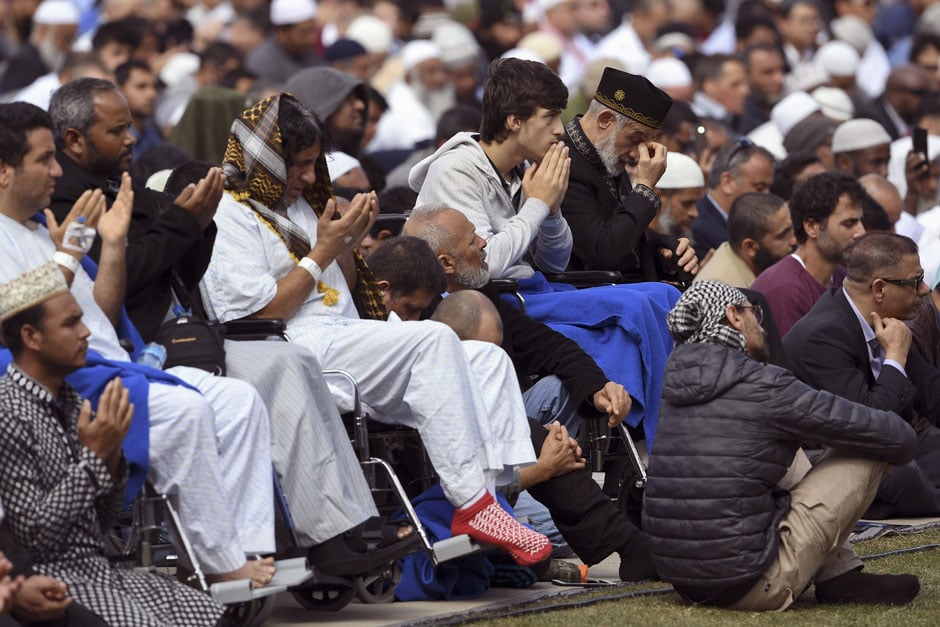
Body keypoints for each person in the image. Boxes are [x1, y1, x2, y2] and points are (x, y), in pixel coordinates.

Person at [201, 93, 552, 567]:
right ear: (266, 159)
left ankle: (489, 501)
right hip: (282, 350)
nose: (307, 177)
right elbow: (260, 316)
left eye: (312, 165)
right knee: (432, 338)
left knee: (486, 357)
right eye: (298, 166)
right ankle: (471, 502)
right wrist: (324, 250)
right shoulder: (230, 214)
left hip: (339, 338)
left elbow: (339, 293)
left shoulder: (303, 205)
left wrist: (345, 243)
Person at [0, 100, 276, 588]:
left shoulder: (42, 228)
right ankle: (217, 562)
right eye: (44, 159)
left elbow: (102, 317)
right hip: (55, 385)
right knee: (185, 414)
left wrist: (109, 245)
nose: (57, 170)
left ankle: (247, 549)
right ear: (4, 172)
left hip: (113, 363)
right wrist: (68, 254)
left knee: (239, 401)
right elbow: (13, 314)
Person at [367, 231, 657, 582]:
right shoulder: (382, 323)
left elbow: (546, 343)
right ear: (382, 289)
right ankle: (611, 540)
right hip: (437, 466)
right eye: (470, 239)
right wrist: (538, 471)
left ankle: (625, 543)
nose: (483, 243)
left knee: (544, 411)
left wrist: (598, 388)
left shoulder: (447, 299)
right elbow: (428, 459)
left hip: (481, 443)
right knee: (550, 530)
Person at [643, 280, 920, 610]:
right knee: (869, 445)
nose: (760, 324)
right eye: (753, 313)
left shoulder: (674, 388)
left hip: (688, 582)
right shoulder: (763, 383)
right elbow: (894, 436)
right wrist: (896, 359)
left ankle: (840, 574)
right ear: (733, 316)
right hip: (752, 582)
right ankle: (835, 578)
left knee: (783, 450)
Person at [0, 262, 227, 625]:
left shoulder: (72, 400)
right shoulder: (9, 411)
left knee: (210, 616)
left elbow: (99, 526)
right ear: (31, 337)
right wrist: (93, 463)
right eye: (71, 323)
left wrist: (112, 456)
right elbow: (32, 539)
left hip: (99, 573)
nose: (86, 332)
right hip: (51, 582)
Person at [784, 232, 940, 518]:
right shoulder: (822, 337)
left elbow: (932, 392)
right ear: (879, 289)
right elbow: (870, 426)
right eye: (915, 281)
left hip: (888, 447)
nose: (925, 289)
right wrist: (894, 359)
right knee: (903, 477)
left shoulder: (887, 321)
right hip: (828, 460)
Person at [410, 57, 573, 280]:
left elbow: (555, 264)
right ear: (515, 121)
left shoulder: (526, 170)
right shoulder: (454, 170)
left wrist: (551, 212)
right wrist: (538, 204)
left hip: (533, 292)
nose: (560, 130)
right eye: (550, 117)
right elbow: (484, 266)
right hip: (488, 301)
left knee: (636, 295)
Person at [560, 67, 698, 280]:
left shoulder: (607, 154)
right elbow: (603, 252)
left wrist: (664, 253)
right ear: (605, 120)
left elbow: (626, 239)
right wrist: (644, 188)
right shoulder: (563, 161)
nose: (637, 154)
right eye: (635, 139)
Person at [751, 171, 866, 336]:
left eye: (860, 221)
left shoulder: (845, 278)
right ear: (812, 227)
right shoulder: (784, 290)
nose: (861, 232)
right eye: (849, 223)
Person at [691, 138, 775, 260]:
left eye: (769, 188)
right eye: (760, 187)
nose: (767, 195)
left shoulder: (742, 222)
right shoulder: (699, 229)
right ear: (728, 182)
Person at [694, 192, 796, 288]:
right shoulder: (720, 289)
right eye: (782, 235)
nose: (794, 241)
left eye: (792, 229)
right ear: (749, 247)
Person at [244, 0, 319, 86]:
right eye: (304, 33)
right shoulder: (262, 63)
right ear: (281, 32)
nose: (311, 38)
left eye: (313, 31)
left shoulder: (308, 52)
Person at [650, 152, 705, 244]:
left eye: (696, 204)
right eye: (686, 204)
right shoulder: (633, 241)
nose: (695, 213)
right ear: (657, 197)